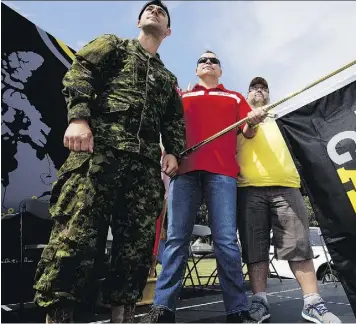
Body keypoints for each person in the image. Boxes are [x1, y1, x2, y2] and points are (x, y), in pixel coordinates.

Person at [32, 1, 185, 322]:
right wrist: (78, 118)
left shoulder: (166, 77)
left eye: (162, 12)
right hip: (98, 155)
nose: (155, 10)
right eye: (149, 9)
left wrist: (173, 150)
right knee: (75, 239)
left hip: (143, 169)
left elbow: (173, 120)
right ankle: (58, 317)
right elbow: (81, 72)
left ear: (168, 31)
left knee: (135, 250)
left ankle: (123, 316)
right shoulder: (113, 45)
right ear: (138, 20)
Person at [141, 51, 266, 323]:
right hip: (184, 173)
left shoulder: (234, 97)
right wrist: (169, 154)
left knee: (225, 242)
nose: (208, 63)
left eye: (213, 61)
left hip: (222, 173)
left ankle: (237, 310)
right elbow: (167, 128)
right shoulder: (182, 97)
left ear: (220, 71)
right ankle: (163, 309)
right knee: (176, 241)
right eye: (202, 60)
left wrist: (254, 122)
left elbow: (247, 131)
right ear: (197, 70)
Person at [236, 77, 342, 323]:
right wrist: (251, 121)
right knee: (255, 248)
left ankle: (312, 303)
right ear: (247, 94)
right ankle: (260, 301)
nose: (259, 91)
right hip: (250, 189)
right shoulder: (240, 117)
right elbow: (248, 133)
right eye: (254, 88)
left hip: (287, 187)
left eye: (263, 88)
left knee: (299, 246)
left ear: (269, 95)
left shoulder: (281, 119)